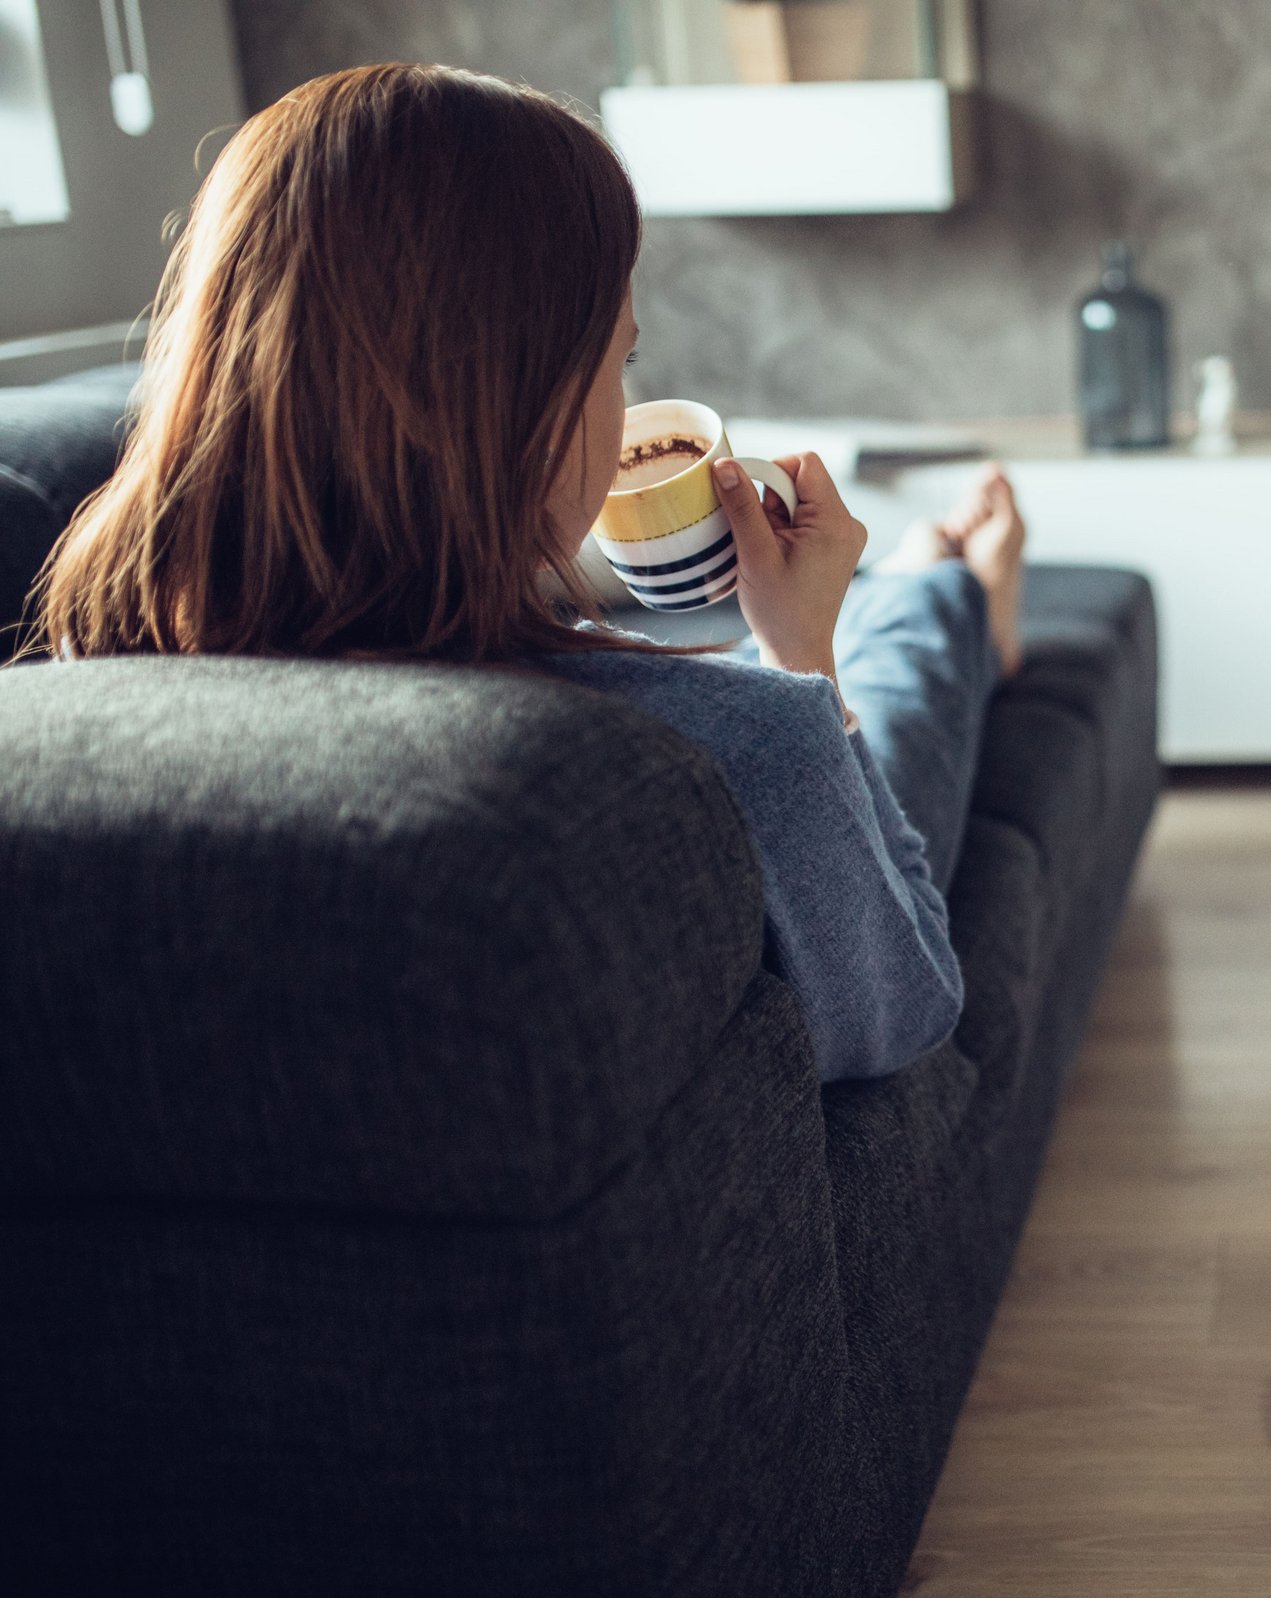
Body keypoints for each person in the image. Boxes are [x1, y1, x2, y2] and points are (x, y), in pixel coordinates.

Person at [28, 63, 1020, 1081]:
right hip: (797, 730)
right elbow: (906, 1000)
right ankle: (943, 592)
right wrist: (806, 663)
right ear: (516, 401)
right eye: (617, 362)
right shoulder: (739, 741)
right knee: (893, 724)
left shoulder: (76, 691)